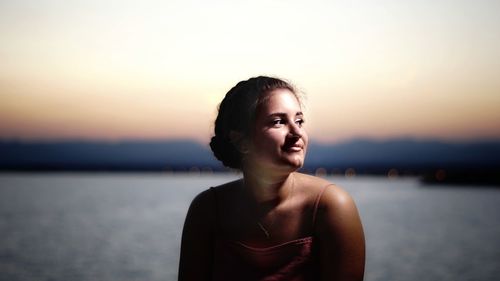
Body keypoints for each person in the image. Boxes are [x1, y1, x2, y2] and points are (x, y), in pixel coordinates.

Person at [178, 76, 365, 281]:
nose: (296, 132)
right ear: (241, 141)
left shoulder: (331, 206)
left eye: (299, 121)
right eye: (278, 122)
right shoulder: (208, 209)